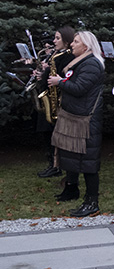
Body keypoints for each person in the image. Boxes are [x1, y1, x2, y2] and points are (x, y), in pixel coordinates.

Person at [48, 31, 105, 217]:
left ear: (86, 47)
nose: (72, 44)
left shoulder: (92, 65)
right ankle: (72, 189)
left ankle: (92, 202)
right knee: (72, 156)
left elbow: (80, 88)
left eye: (76, 41)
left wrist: (60, 82)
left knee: (88, 162)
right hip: (75, 117)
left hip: (85, 121)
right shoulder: (81, 62)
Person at [34, 26, 75, 178]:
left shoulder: (67, 56)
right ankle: (52, 164)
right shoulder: (55, 55)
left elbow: (66, 76)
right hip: (50, 97)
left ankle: (58, 166)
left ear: (66, 40)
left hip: (59, 100)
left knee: (56, 135)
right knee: (48, 133)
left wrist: (46, 73)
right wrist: (41, 74)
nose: (54, 41)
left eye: (58, 38)